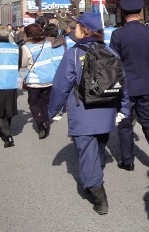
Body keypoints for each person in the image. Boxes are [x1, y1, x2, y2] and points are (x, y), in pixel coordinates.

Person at [48, 12, 130, 215]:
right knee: (99, 145)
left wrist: (53, 110)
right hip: (107, 109)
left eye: (77, 26)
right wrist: (124, 109)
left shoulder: (74, 54)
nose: (75, 29)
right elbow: (123, 84)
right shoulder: (111, 51)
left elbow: (61, 86)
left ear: (84, 29)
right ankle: (95, 175)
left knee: (86, 151)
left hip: (83, 111)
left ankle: (98, 193)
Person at [111, 0, 149, 176]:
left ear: (123, 12)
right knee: (148, 121)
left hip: (125, 87)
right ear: (140, 12)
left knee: (125, 124)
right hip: (146, 84)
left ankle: (128, 161)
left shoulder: (118, 34)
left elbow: (114, 63)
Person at [21, 23, 56, 139]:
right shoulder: (47, 44)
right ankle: (46, 121)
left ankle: (41, 124)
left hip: (35, 81)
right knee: (44, 103)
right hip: (49, 79)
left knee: (33, 103)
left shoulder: (26, 47)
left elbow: (23, 64)